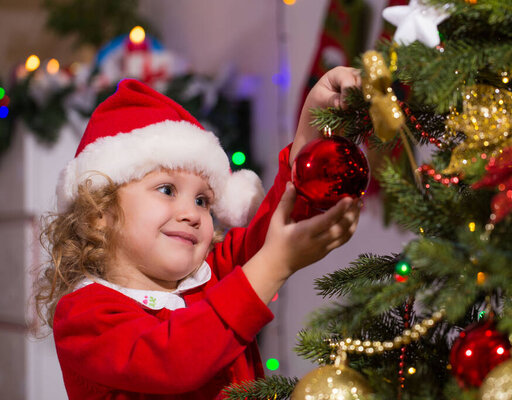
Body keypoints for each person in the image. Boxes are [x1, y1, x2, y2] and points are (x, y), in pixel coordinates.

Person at [34, 66, 362, 399]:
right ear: (98, 214)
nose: (192, 214)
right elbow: (172, 361)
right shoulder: (84, 316)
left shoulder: (211, 272)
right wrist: (274, 266)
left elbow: (278, 225)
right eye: (166, 190)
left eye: (203, 200)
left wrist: (312, 125)